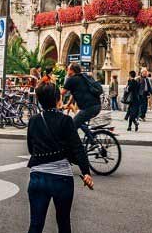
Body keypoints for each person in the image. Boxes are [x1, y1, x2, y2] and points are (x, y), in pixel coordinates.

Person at [26, 80, 93, 233]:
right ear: (58, 100)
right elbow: (77, 148)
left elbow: (31, 149)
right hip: (61, 178)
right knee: (63, 224)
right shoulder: (66, 120)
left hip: (38, 177)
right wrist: (86, 172)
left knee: (35, 225)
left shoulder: (33, 121)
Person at [62, 63, 102, 136]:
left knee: (72, 127)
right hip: (97, 105)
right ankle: (91, 139)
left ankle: (77, 146)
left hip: (89, 108)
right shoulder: (84, 76)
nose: (67, 71)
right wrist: (67, 105)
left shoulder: (71, 80)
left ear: (72, 70)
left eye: (68, 69)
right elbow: (74, 95)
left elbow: (62, 93)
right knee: (80, 122)